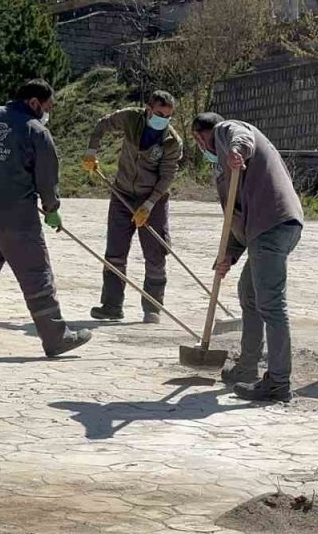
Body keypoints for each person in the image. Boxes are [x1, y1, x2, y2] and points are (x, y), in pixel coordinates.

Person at [0, 79, 91, 357]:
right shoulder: (36, 132)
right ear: (34, 103)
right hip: (16, 220)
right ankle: (56, 338)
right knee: (37, 278)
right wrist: (52, 210)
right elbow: (47, 179)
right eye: (48, 106)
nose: (48, 112)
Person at [190, 112, 304, 402]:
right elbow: (237, 214)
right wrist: (229, 253)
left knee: (271, 304)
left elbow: (241, 137)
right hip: (271, 227)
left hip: (271, 225)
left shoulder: (225, 132)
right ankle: (247, 367)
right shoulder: (226, 171)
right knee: (249, 293)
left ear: (199, 137)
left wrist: (237, 151)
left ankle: (278, 383)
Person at [82, 91, 183, 323]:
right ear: (148, 110)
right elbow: (102, 124)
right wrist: (91, 150)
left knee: (155, 254)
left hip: (152, 200)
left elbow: (167, 177)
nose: (163, 120)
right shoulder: (131, 118)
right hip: (122, 193)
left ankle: (153, 308)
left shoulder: (171, 142)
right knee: (115, 252)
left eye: (168, 116)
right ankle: (111, 306)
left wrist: (149, 204)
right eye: (159, 114)